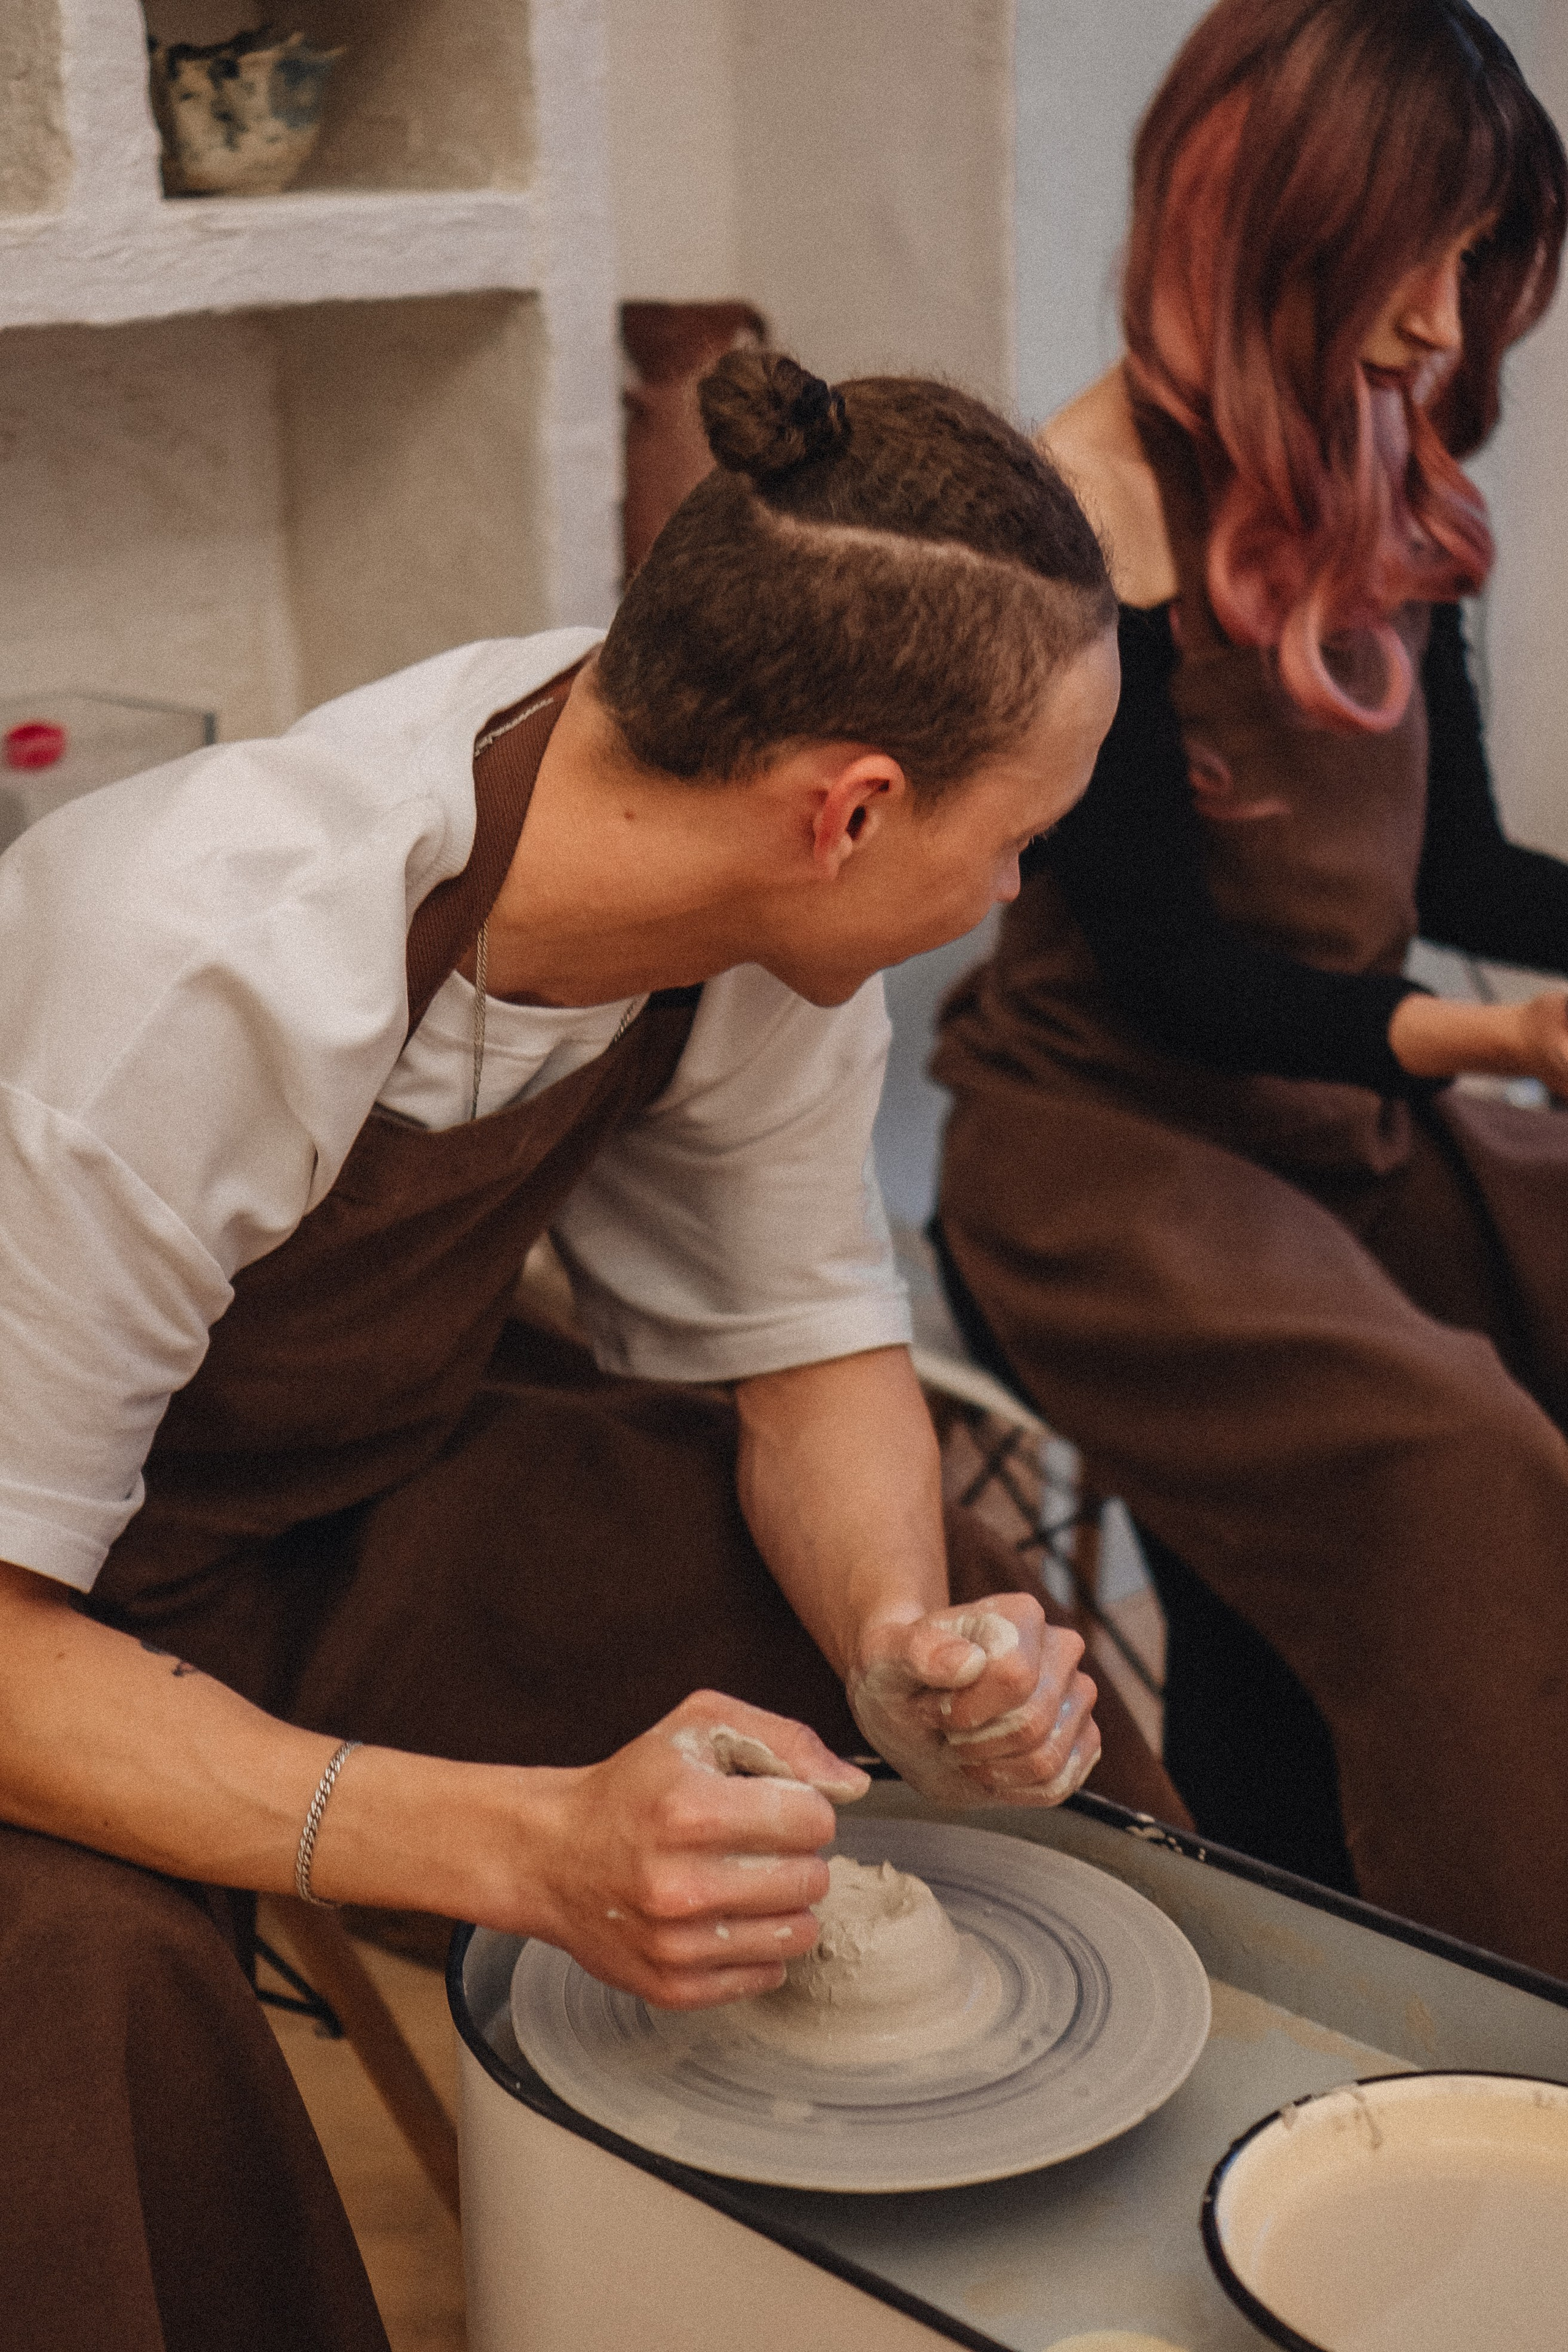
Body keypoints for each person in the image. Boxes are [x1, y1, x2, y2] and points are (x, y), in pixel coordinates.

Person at [0, 350, 1143, 2349]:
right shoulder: (202, 969)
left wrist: (901, 1644)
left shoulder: (738, 864)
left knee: (882, 1655)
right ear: (851, 812)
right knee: (88, 2000)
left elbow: (804, 1347)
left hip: (338, 1481)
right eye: (1017, 839)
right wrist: (523, 1849)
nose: (1010, 892)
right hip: (40, 1619)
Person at [933, 0, 1568, 1973]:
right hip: (1102, 1152)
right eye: (1413, 258)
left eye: (1478, 260)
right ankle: (1507, 2023)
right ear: (1264, 226)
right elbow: (1177, 978)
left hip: (1337, 1115)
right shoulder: (1078, 511)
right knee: (1460, 1472)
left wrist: (1496, 1024)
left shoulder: (1388, 467)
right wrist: (1500, 1040)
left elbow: (1458, 873)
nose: (1442, 327)